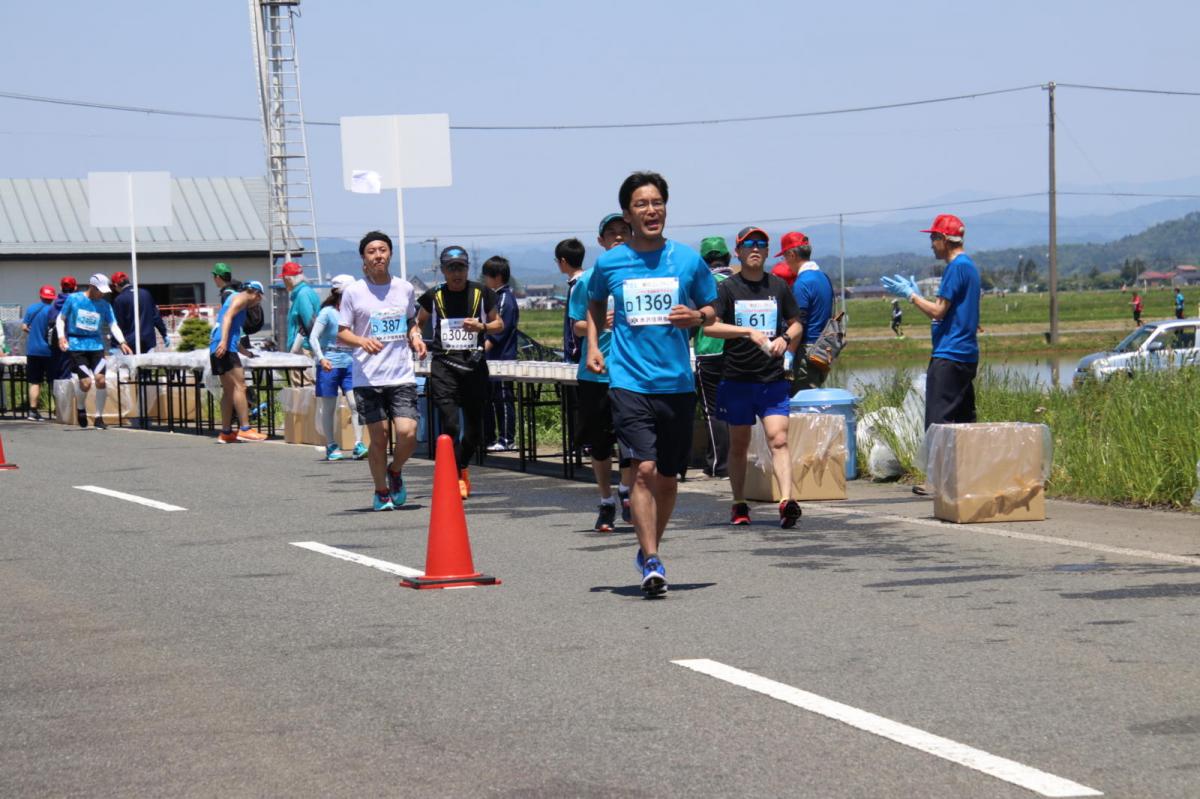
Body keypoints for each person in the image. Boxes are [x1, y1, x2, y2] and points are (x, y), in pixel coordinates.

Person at [586, 171, 718, 596]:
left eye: (657, 202)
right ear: (628, 213)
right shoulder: (610, 263)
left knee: (666, 477)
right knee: (642, 469)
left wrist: (697, 318)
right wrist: (593, 343)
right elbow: (593, 301)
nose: (651, 210)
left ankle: (648, 551)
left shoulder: (686, 259)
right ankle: (654, 558)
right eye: (642, 204)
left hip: (676, 382)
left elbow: (712, 309)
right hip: (628, 380)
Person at [703, 227, 805, 528]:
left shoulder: (778, 286)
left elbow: (797, 322)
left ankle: (787, 501)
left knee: (780, 439)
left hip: (771, 379)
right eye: (749, 244)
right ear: (738, 251)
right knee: (739, 445)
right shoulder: (728, 289)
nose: (755, 248)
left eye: (761, 243)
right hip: (736, 378)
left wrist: (786, 338)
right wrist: (746, 331)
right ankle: (738, 502)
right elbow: (709, 327)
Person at [882, 214, 980, 495]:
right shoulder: (970, 266)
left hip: (949, 354)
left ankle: (936, 480)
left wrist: (911, 296)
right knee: (962, 418)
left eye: (933, 238)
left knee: (938, 420)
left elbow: (938, 311)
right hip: (967, 354)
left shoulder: (955, 267)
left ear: (945, 240)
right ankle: (965, 476)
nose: (931, 245)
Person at [337, 232, 427, 511]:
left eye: (383, 250)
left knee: (409, 433)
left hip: (400, 373)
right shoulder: (354, 292)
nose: (378, 255)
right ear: (364, 258)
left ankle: (396, 470)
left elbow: (411, 320)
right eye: (372, 251)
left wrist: (416, 336)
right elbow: (342, 333)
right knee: (379, 438)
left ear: (390, 254)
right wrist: (362, 340)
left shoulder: (404, 288)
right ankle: (381, 491)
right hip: (368, 375)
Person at [416, 246, 504, 500]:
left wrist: (482, 326)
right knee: (451, 423)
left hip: (473, 364)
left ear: (467, 268)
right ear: (443, 270)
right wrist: (416, 337)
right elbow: (418, 323)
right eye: (451, 268)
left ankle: (462, 464)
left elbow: (499, 324)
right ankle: (453, 475)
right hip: (444, 365)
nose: (457, 273)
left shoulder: (481, 292)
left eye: (461, 267)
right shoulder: (434, 295)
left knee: (476, 431)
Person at [55, 273, 132, 429]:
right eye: (99, 290)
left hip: (96, 346)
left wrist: (122, 341)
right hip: (77, 346)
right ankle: (81, 408)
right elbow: (60, 318)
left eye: (104, 291)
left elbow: (113, 324)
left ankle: (99, 417)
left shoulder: (104, 305)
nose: (102, 294)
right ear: (91, 287)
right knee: (85, 383)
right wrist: (61, 337)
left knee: (101, 380)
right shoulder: (74, 299)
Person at [310, 273, 367, 462]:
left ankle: (359, 444)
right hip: (330, 362)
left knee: (356, 404)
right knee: (329, 406)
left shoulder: (355, 311)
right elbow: (313, 338)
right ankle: (331, 444)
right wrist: (321, 358)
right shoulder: (327, 312)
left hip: (351, 361)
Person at [209, 281, 269, 443]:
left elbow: (234, 333)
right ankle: (245, 428)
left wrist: (247, 353)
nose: (258, 303)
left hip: (218, 346)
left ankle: (226, 432)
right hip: (224, 346)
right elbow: (227, 317)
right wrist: (223, 342)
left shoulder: (237, 300)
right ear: (255, 294)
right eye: (259, 299)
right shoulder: (241, 299)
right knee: (240, 386)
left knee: (229, 390)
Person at [694, 235, 733, 479]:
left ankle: (720, 464)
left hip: (709, 351)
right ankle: (733, 460)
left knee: (713, 411)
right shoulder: (739, 282)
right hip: (737, 351)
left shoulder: (703, 284)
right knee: (735, 408)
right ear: (728, 257)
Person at [785, 231, 834, 391]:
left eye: (784, 257)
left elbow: (798, 323)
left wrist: (789, 353)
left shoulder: (802, 283)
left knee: (804, 402)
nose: (785, 262)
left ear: (792, 254)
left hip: (806, 350)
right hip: (823, 348)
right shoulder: (823, 277)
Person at [482, 256, 519, 452]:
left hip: (503, 357)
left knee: (503, 398)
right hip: (493, 359)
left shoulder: (504, 299)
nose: (485, 280)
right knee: (492, 399)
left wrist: (482, 349)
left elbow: (499, 331)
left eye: (486, 276)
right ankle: (491, 437)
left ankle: (507, 439)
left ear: (496, 277)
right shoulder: (496, 297)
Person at [110, 271, 169, 354]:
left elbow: (118, 324)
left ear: (116, 285)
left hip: (130, 342)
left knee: (131, 366)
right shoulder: (146, 294)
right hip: (148, 340)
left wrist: (114, 343)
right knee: (148, 365)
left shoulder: (119, 299)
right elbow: (156, 316)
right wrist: (164, 334)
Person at [21, 285, 56, 420]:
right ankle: (58, 410)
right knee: (54, 381)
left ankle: (33, 411)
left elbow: (24, 327)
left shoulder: (31, 308)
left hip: (33, 350)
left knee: (35, 382)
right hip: (49, 351)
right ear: (52, 297)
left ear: (41, 296)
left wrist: (34, 332)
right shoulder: (53, 311)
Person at [280, 261, 320, 354]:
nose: (283, 282)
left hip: (303, 349)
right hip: (304, 347)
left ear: (289, 279)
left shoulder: (302, 295)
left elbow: (310, 324)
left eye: (283, 279)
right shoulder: (304, 292)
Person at [557, 238, 586, 365]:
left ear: (563, 261)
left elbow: (573, 322)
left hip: (578, 355)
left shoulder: (576, 285)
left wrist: (574, 350)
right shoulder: (587, 280)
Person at [45, 276, 77, 382]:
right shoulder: (76, 303)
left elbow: (49, 321)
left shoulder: (54, 305)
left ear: (60, 287)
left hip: (56, 343)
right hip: (74, 342)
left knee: (58, 374)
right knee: (73, 375)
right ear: (75, 287)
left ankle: (59, 398)